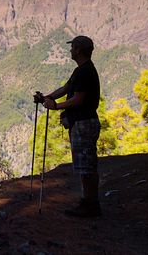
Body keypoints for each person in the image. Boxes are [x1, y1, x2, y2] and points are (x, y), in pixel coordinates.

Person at [34, 35, 101, 217]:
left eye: (72, 48)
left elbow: (77, 100)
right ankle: (89, 202)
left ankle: (90, 205)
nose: (70, 50)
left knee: (86, 167)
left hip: (83, 123)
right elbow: (65, 89)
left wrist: (56, 106)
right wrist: (46, 98)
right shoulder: (82, 70)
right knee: (87, 165)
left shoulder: (84, 72)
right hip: (85, 122)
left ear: (78, 50)